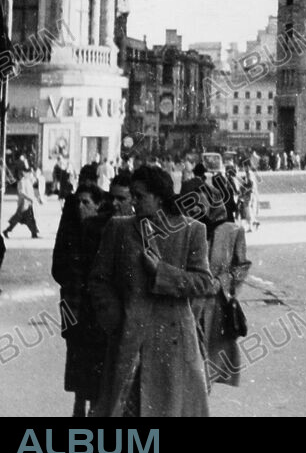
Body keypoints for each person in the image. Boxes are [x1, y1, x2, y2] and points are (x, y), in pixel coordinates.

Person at [90, 165, 214, 417]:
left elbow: (204, 283)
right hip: (129, 341)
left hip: (174, 346)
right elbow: (98, 280)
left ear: (159, 197)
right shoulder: (119, 228)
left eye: (140, 196)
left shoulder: (192, 231)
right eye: (132, 196)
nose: (133, 202)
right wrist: (116, 319)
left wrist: (161, 272)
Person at [52, 184, 111, 416]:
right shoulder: (71, 231)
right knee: (78, 373)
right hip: (74, 308)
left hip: (96, 315)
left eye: (86, 202)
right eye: (79, 202)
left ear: (98, 205)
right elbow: (58, 271)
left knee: (96, 376)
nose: (80, 207)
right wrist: (67, 322)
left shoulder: (107, 231)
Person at [198, 196, 251, 387]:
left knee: (210, 364)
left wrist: (222, 282)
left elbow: (241, 266)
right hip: (189, 303)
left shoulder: (233, 231)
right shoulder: (187, 228)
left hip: (216, 306)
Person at [3, 157, 40, 239]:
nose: (29, 173)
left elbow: (35, 182)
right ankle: (6, 231)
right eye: (27, 172)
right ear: (23, 173)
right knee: (18, 218)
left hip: (28, 204)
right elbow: (21, 193)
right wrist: (29, 198)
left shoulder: (28, 180)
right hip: (23, 204)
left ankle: (34, 233)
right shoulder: (22, 181)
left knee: (29, 219)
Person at [238, 162, 260, 233]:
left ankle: (251, 226)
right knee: (249, 210)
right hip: (250, 194)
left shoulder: (249, 174)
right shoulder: (249, 174)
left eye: (245, 167)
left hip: (249, 195)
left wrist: (245, 191)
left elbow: (251, 185)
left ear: (248, 167)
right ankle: (254, 223)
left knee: (248, 210)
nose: (244, 168)